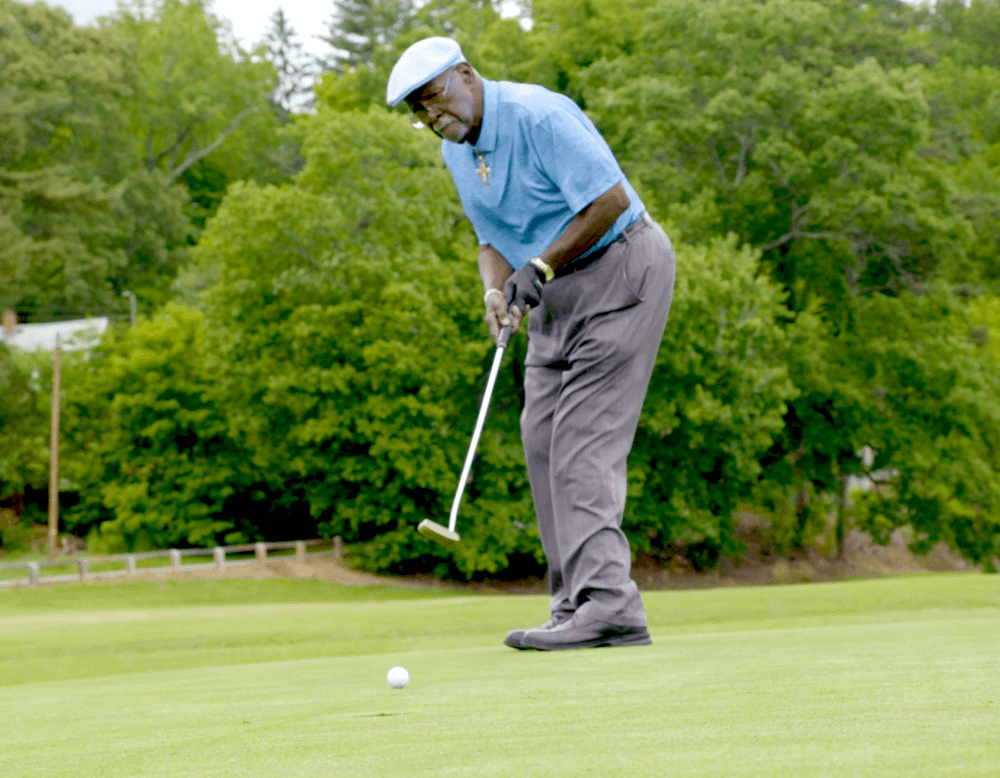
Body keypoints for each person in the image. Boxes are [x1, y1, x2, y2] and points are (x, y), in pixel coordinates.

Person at [387, 37, 675, 650]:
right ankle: (572, 603)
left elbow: (609, 201)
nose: (432, 116)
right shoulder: (456, 152)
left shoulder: (538, 115)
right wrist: (496, 292)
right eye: (420, 110)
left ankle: (610, 606)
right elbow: (491, 240)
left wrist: (538, 267)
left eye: (435, 97)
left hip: (621, 271)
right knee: (541, 440)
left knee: (581, 442)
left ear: (466, 75)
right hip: (549, 295)